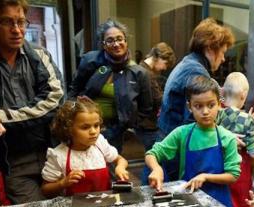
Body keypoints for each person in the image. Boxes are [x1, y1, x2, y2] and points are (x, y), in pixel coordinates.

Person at [0, 0, 64, 204]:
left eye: (21, 22)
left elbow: (53, 99)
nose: (17, 30)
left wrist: (1, 116)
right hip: (14, 161)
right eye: (7, 22)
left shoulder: (39, 54)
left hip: (52, 153)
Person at [156, 18, 235, 181]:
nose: (224, 59)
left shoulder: (188, 63)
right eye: (223, 52)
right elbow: (197, 123)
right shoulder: (195, 72)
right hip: (176, 155)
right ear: (210, 48)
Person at [145, 75, 240, 207]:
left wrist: (205, 177)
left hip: (220, 203)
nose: (205, 111)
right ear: (189, 107)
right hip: (189, 201)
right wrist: (156, 168)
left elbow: (233, 175)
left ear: (219, 104)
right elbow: (152, 154)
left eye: (211, 105)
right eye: (198, 106)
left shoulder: (227, 138)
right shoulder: (182, 133)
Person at [68, 19, 153, 153]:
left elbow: (146, 107)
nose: (116, 44)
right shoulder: (90, 61)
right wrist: (75, 110)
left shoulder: (139, 73)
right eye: (110, 40)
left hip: (115, 133)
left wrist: (125, 124)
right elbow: (74, 91)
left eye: (120, 39)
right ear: (103, 44)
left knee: (110, 168)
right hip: (85, 128)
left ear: (126, 41)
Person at [41, 98, 129, 197]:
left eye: (96, 126)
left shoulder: (100, 143)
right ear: (68, 129)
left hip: (104, 204)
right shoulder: (58, 155)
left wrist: (120, 167)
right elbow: (45, 189)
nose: (93, 132)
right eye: (85, 127)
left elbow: (120, 159)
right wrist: (62, 183)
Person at [216, 72, 254, 207]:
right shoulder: (247, 120)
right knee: (241, 206)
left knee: (224, 202)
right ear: (243, 95)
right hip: (239, 169)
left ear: (222, 92)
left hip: (220, 166)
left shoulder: (217, 114)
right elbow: (253, 154)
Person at [137, 42, 176, 151]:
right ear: (158, 57)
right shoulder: (147, 74)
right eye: (165, 63)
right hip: (148, 123)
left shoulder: (141, 67)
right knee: (154, 157)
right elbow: (158, 99)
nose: (164, 68)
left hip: (143, 122)